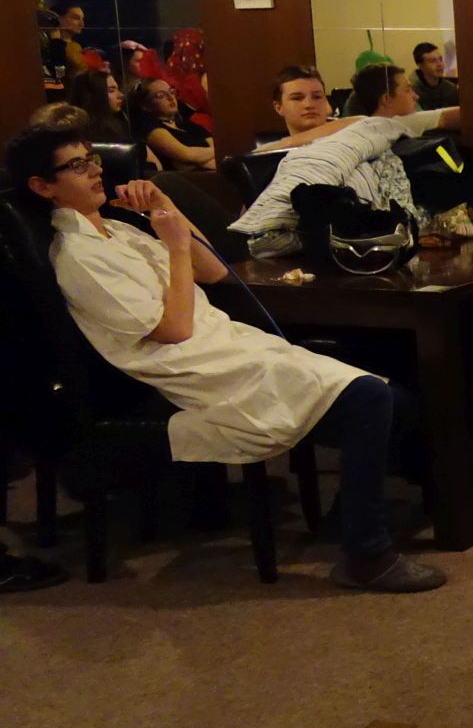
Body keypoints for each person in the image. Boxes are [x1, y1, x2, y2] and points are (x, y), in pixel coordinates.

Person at [5, 119, 443, 592]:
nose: (95, 170)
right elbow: (174, 330)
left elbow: (213, 270)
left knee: (395, 399)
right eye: (76, 166)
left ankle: (354, 515)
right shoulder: (78, 255)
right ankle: (367, 556)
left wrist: (165, 206)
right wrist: (175, 248)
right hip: (188, 369)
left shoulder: (118, 230)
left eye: (91, 159)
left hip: (224, 346)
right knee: (369, 398)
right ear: (42, 186)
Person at [229, 63, 459, 257]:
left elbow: (360, 122)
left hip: (373, 242)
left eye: (317, 97)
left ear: (327, 103)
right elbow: (258, 222)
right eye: (297, 98)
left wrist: (283, 145)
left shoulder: (362, 131)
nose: (309, 104)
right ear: (278, 107)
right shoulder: (264, 163)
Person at [128, 78, 215, 171]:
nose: (170, 97)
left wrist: (198, 160)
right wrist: (205, 157)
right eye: (161, 95)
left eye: (171, 92)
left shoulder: (187, 124)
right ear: (145, 106)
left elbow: (216, 146)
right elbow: (187, 155)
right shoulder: (150, 128)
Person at [64, 70, 131, 143]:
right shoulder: (78, 134)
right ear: (93, 96)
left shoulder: (121, 122)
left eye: (118, 89)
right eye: (111, 91)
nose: (121, 95)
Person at [410, 42, 460, 110]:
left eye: (440, 59)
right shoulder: (412, 92)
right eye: (432, 61)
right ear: (420, 66)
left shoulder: (451, 89)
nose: (439, 64)